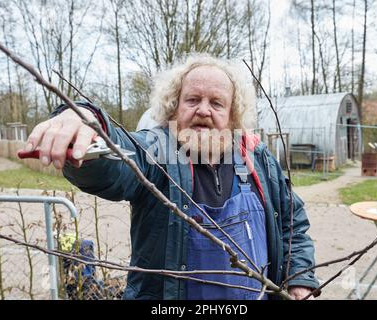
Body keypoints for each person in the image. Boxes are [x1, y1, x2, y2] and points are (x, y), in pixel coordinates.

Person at [23, 54, 319, 300]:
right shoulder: (155, 152)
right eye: (192, 100)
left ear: (232, 115)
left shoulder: (258, 159)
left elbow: (292, 224)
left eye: (216, 103)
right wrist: (85, 119)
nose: (203, 110)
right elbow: (115, 162)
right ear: (174, 107)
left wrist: (300, 278)